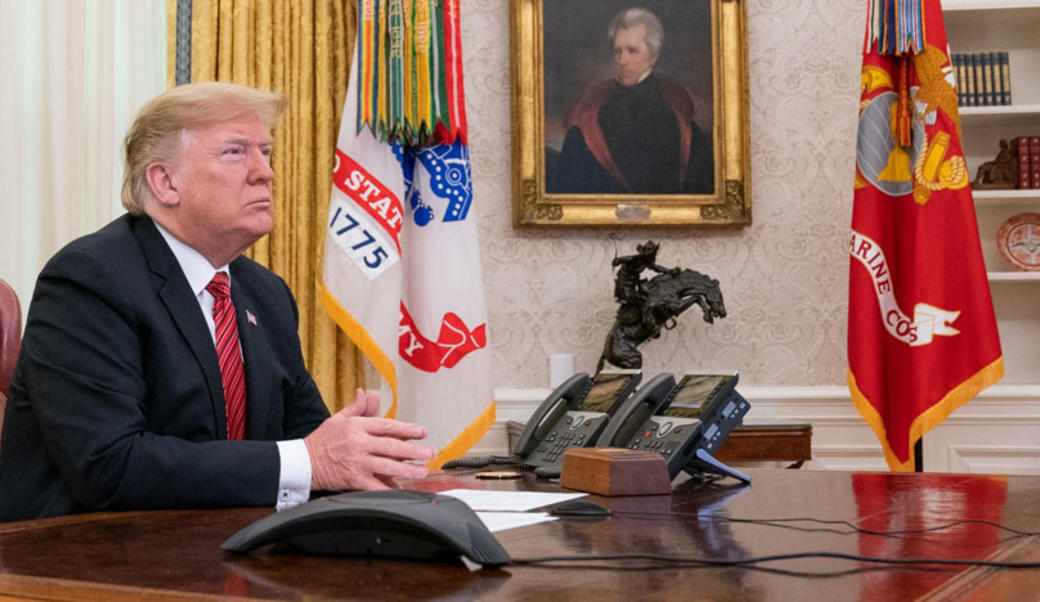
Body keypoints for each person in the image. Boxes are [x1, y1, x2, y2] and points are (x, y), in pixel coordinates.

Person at [0, 82, 436, 522]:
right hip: (76, 562)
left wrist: (357, 452)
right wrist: (313, 460)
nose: (264, 171)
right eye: (235, 152)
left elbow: (304, 440)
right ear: (165, 182)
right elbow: (110, 465)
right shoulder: (89, 279)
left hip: (225, 549)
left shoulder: (267, 295)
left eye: (265, 152)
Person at [553, 8, 714, 195]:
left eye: (632, 51)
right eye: (618, 51)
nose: (622, 60)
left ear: (653, 56)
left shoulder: (678, 118)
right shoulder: (592, 116)